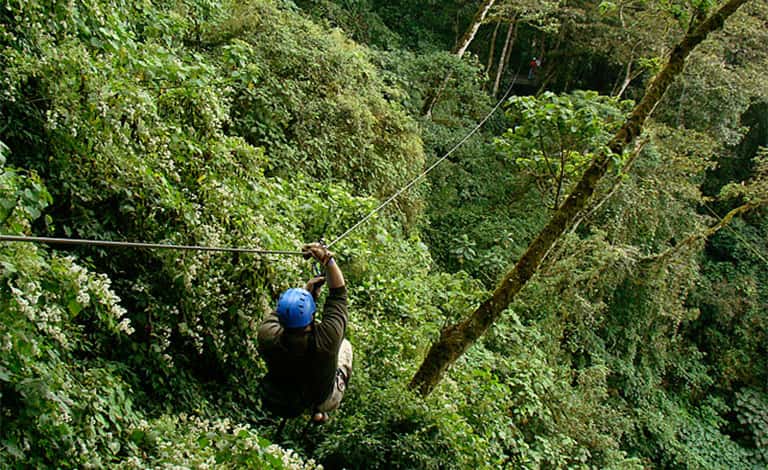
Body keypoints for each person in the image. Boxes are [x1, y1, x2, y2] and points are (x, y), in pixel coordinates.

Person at [257, 242, 352, 423]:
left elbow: (283, 313)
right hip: (320, 395)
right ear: (311, 314)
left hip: (282, 396)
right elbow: (338, 294)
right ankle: (320, 410)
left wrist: (306, 294)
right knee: (345, 346)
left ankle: (309, 407)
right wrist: (327, 259)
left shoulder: (267, 335)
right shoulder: (327, 339)